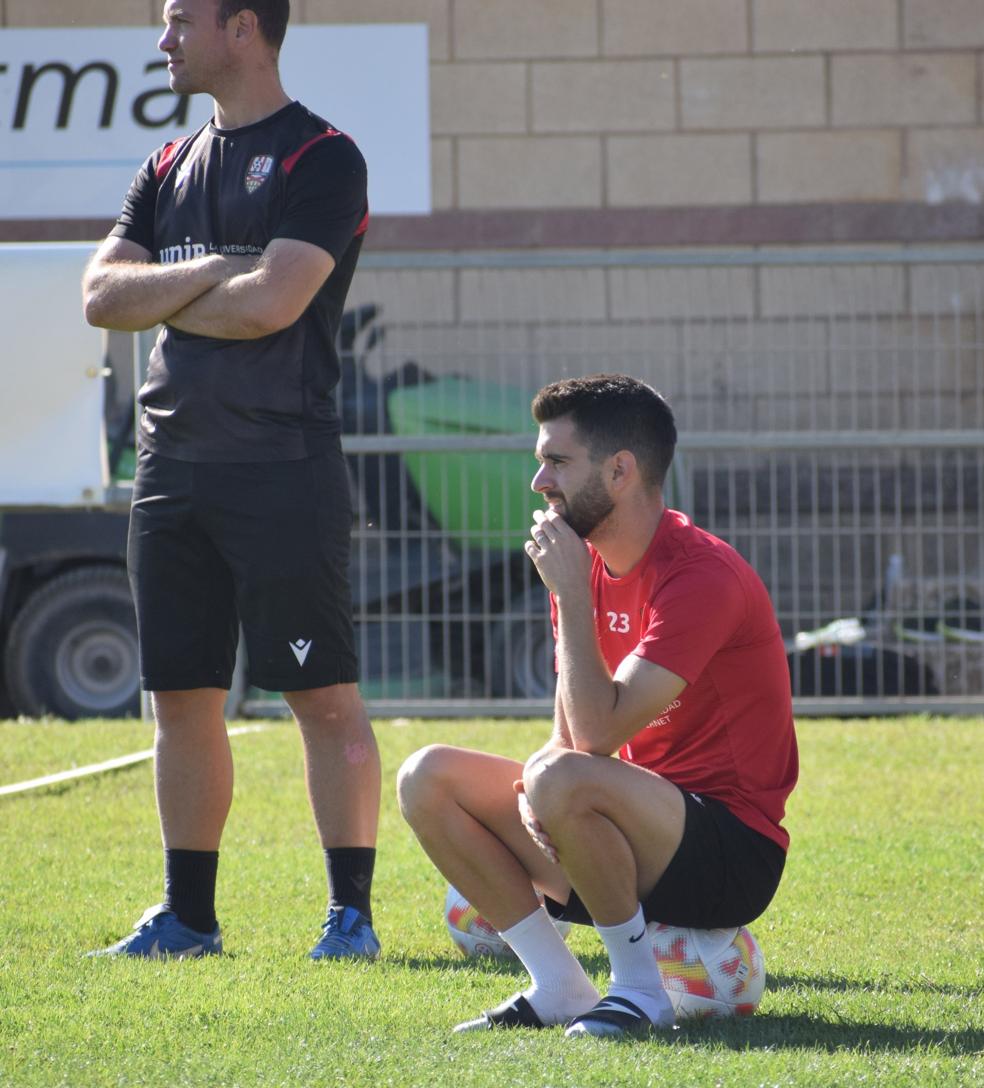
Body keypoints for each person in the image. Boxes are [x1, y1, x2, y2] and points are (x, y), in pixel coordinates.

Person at [82, 0, 381, 961]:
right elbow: (101, 297)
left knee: (322, 697)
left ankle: (350, 917)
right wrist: (216, 267)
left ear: (242, 27)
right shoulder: (166, 164)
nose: (162, 41)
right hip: (170, 473)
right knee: (179, 698)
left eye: (179, 20)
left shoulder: (323, 158)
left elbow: (272, 306)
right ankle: (189, 918)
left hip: (282, 470)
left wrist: (168, 294)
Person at [398, 374, 798, 1038]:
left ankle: (639, 990)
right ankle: (558, 987)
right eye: (540, 462)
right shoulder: (579, 566)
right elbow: (569, 738)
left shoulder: (702, 575)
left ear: (619, 471)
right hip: (613, 831)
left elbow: (596, 734)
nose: (539, 483)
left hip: (728, 855)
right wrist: (540, 792)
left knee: (561, 776)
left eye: (557, 461)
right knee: (427, 777)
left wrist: (572, 603)